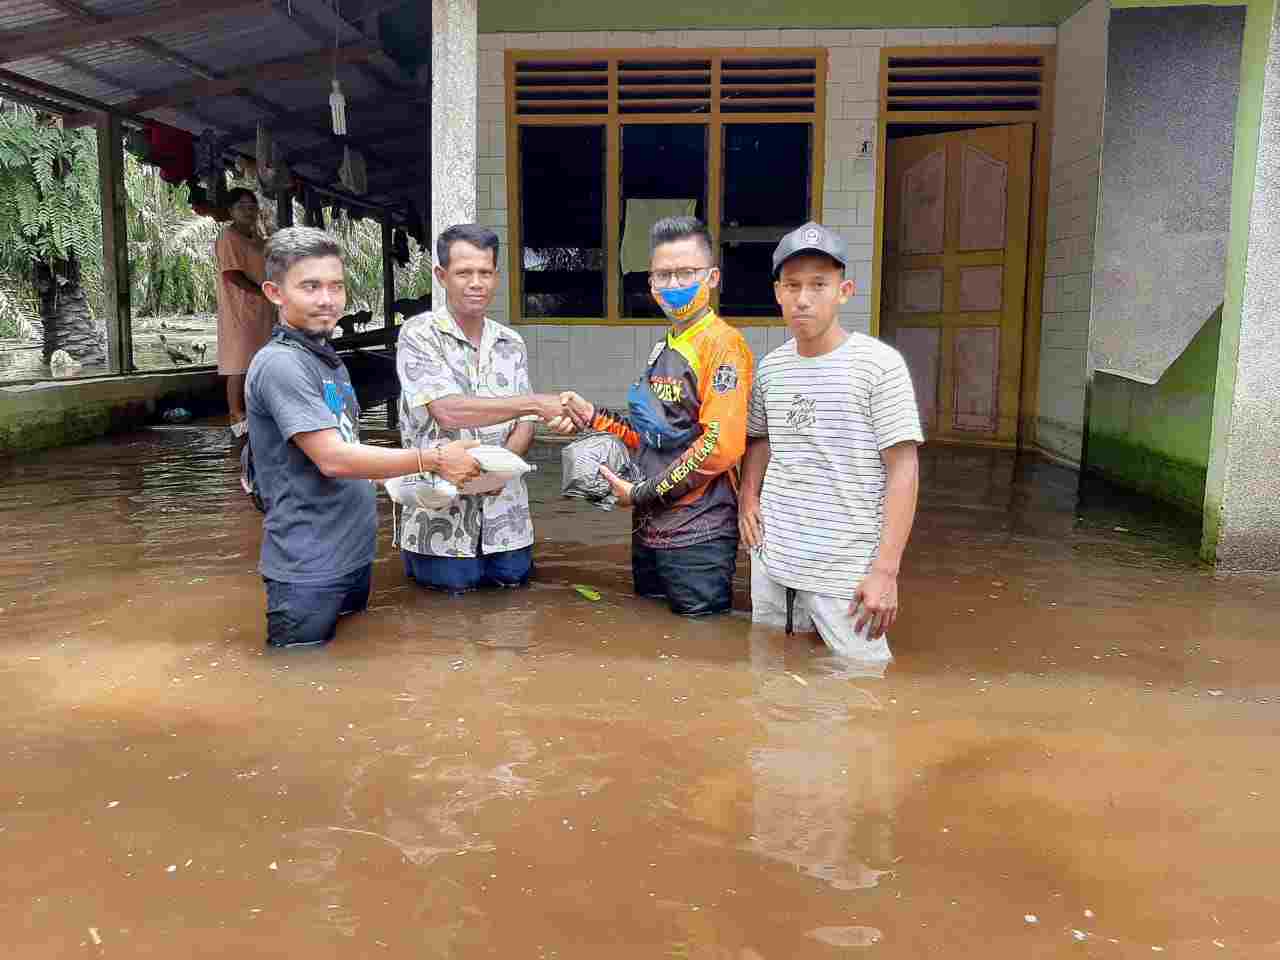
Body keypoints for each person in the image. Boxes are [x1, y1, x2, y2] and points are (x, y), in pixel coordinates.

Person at [245, 227, 482, 649]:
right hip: (308, 566)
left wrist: (405, 481)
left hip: (349, 556)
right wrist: (434, 459)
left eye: (336, 286)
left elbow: (347, 443)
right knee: (292, 681)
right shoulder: (282, 364)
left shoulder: (324, 358)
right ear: (275, 292)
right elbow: (333, 459)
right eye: (310, 286)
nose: (327, 299)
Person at [738, 221, 923, 660]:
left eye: (819, 285)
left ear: (844, 290)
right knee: (770, 674)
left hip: (845, 568)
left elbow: (904, 468)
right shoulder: (771, 369)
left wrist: (885, 570)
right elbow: (760, 439)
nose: (804, 298)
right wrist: (748, 498)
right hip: (774, 560)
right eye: (793, 285)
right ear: (778, 293)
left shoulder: (879, 366)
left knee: (862, 685)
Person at [555, 216, 754, 617]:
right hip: (650, 527)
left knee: (701, 647)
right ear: (651, 284)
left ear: (712, 277)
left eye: (687, 273)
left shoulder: (724, 347)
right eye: (664, 275)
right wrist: (592, 416)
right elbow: (651, 437)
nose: (675, 284)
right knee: (651, 633)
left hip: (698, 533)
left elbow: (720, 447)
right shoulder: (666, 346)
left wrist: (643, 493)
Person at [395, 223, 568, 594]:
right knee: (448, 607)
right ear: (442, 276)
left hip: (507, 522)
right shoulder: (418, 334)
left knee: (513, 598)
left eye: (485, 273)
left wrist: (500, 469)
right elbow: (447, 411)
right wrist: (536, 403)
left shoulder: (511, 342)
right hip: (439, 524)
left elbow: (525, 423)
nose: (476, 282)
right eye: (464, 273)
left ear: (496, 277)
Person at [215, 187, 277, 473]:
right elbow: (231, 273)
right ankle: (235, 414)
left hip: (263, 309)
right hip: (240, 307)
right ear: (230, 211)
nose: (248, 211)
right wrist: (260, 292)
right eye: (242, 206)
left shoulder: (259, 239)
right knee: (238, 362)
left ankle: (260, 410)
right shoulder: (229, 237)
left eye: (252, 206)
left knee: (261, 359)